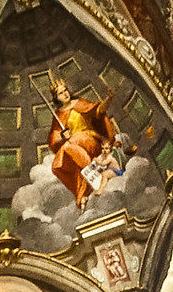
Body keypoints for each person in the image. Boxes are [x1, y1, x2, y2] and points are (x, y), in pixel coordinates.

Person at [44, 77, 119, 209]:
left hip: (91, 140)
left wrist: (108, 100)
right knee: (67, 163)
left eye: (65, 90)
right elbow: (53, 140)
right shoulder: (59, 115)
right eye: (61, 93)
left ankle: (91, 175)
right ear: (57, 98)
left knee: (69, 145)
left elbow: (98, 111)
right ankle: (83, 196)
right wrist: (63, 136)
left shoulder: (79, 103)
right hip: (76, 147)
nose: (65, 93)